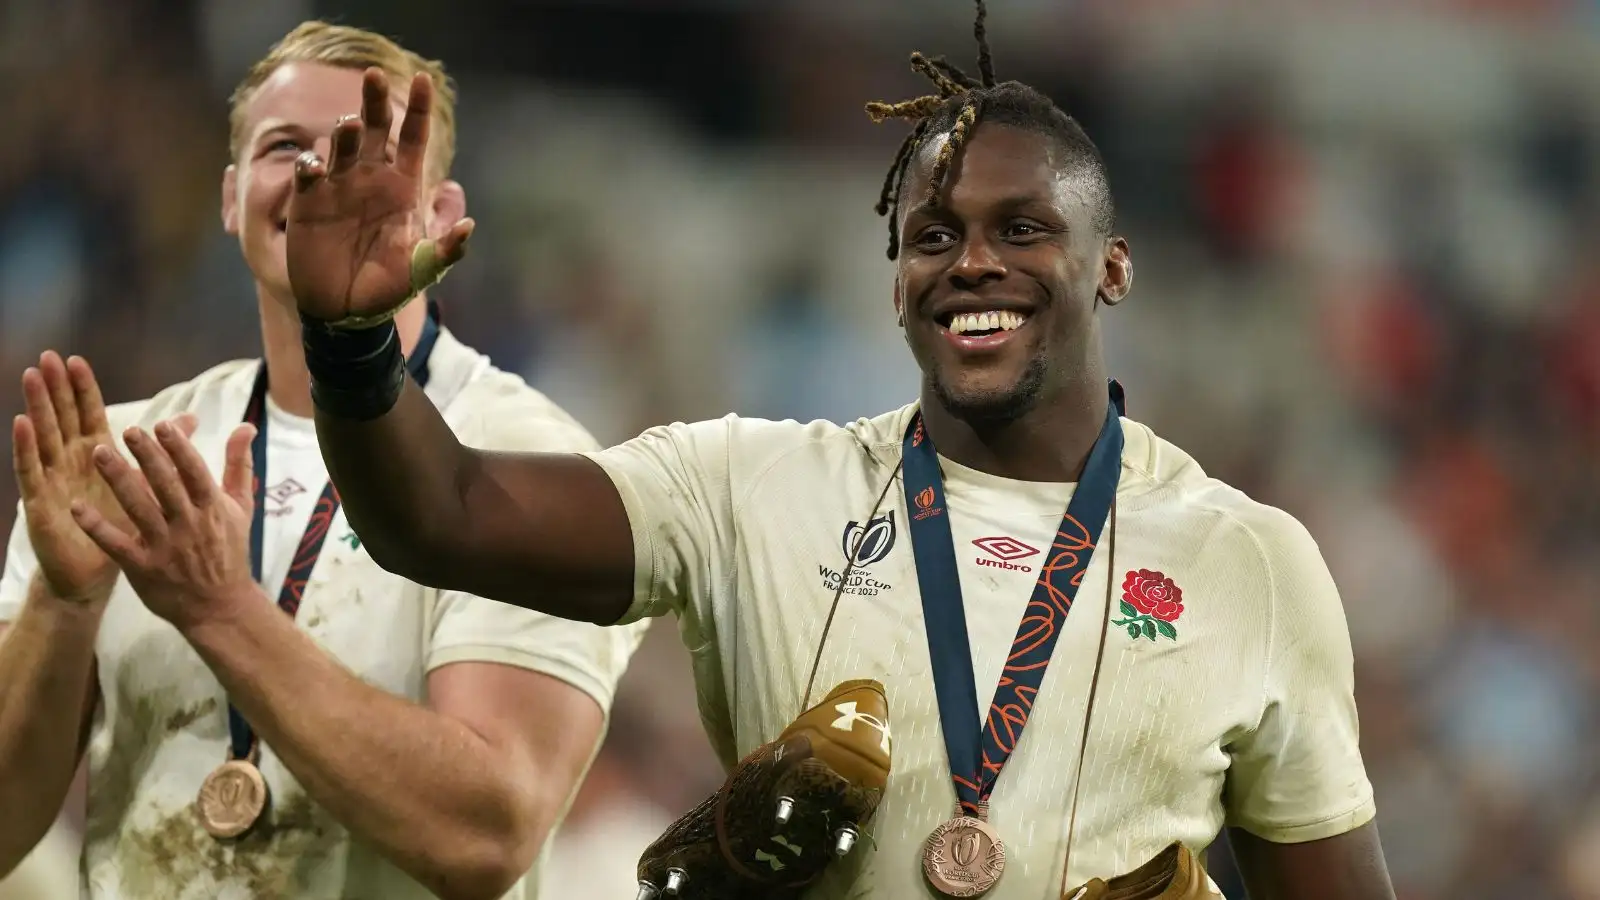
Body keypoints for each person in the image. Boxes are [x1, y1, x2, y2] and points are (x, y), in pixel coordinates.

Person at [275, 2, 1398, 898]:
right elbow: (445, 514)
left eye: (1023, 229)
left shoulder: (1248, 562)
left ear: (1110, 267)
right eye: (932, 237)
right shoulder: (747, 487)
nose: (972, 263)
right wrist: (353, 339)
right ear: (897, 279)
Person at [0, 21, 645, 900]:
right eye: (284, 147)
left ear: (441, 215)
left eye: (359, 151)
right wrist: (62, 603)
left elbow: (485, 836)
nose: (317, 173)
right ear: (229, 199)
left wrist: (224, 612)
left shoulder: (533, 464)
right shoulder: (121, 457)